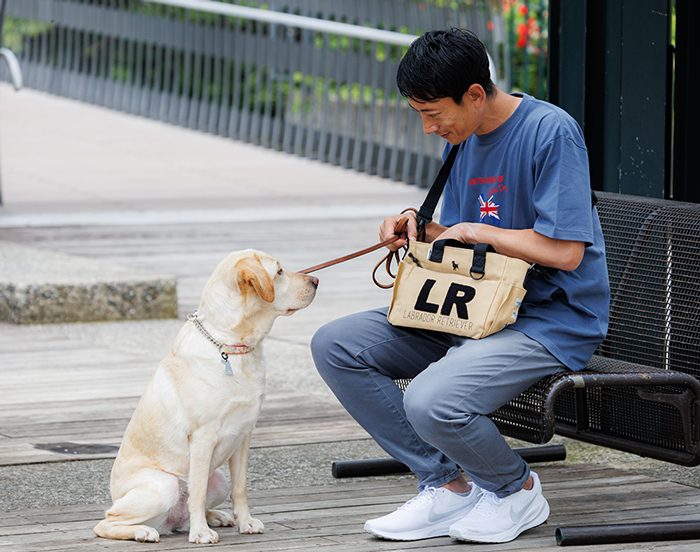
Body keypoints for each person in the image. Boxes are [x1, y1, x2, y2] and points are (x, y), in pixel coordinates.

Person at [310, 29, 609, 544]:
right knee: (336, 345)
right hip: (472, 311)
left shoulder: (549, 131)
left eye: (432, 113)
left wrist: (481, 232)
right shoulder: (464, 136)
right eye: (418, 114)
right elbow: (459, 242)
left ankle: (515, 491)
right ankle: (447, 485)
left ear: (474, 94)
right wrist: (413, 225)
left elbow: (565, 252)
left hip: (547, 320)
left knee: (430, 400)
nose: (428, 127)